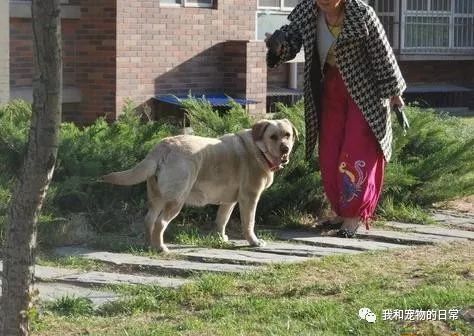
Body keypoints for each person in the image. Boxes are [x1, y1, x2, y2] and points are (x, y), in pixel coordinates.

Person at [265, 0, 406, 237]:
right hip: (329, 89)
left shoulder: (362, 13)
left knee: (356, 150)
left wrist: (394, 92)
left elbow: (383, 53)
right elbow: (290, 39)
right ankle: (339, 212)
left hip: (366, 92)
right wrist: (278, 46)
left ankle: (353, 217)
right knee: (330, 151)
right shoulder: (308, 11)